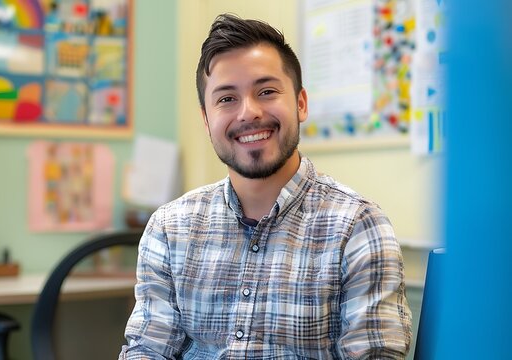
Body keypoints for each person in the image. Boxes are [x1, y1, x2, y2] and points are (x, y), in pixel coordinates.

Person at [119, 13, 412, 359]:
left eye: (267, 91)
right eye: (226, 99)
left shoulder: (357, 226)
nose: (249, 112)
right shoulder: (170, 228)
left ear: (301, 103)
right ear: (206, 119)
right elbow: (148, 350)